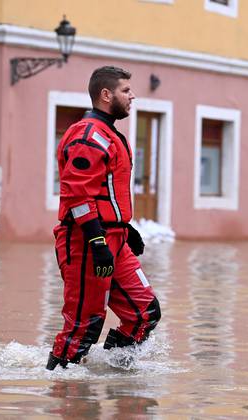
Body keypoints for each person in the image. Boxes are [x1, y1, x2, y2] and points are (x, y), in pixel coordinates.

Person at [46, 66, 161, 370]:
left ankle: (114, 376)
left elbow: (104, 192)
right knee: (83, 327)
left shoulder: (110, 134)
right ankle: (62, 391)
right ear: (106, 95)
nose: (132, 95)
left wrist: (126, 227)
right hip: (86, 241)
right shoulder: (88, 135)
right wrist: (98, 241)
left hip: (114, 239)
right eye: (126, 90)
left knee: (144, 313)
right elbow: (78, 196)